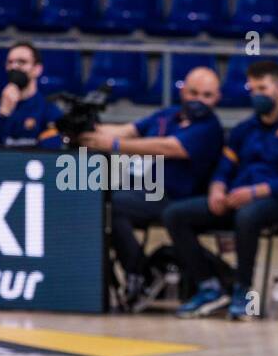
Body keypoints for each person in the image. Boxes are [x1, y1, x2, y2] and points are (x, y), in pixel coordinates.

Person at [164, 60, 278, 321]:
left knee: (248, 215)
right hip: (236, 198)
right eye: (252, 89)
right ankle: (208, 285)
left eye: (262, 88)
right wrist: (217, 189)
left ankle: (243, 290)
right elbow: (224, 167)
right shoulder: (243, 130)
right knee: (175, 214)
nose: (256, 95)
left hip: (275, 203)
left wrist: (254, 193)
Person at [78, 67, 224, 310]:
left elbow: (165, 147)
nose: (198, 100)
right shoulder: (168, 115)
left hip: (179, 198)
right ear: (182, 91)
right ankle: (138, 272)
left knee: (112, 205)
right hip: (148, 190)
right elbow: (128, 130)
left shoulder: (209, 129)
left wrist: (113, 144)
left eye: (206, 95)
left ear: (217, 98)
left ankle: (139, 273)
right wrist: (87, 130)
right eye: (193, 93)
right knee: (103, 200)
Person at [0, 42, 63, 148]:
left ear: (37, 69)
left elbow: (49, 154)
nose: (14, 66)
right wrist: (3, 114)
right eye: (10, 62)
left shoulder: (50, 112)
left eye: (22, 62)